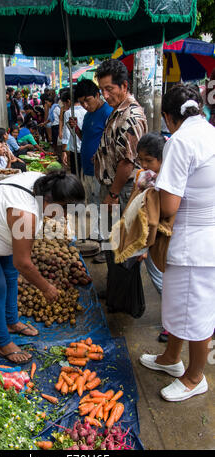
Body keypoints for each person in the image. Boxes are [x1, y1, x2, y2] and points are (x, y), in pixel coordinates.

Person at [0, 170, 85, 364]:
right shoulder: (26, 215)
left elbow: (17, 263)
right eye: (65, 210)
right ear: (52, 202)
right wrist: (46, 288)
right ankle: (3, 343)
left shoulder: (45, 182)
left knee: (10, 273)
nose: (65, 216)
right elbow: (23, 262)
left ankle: (12, 321)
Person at [139, 84, 215, 401]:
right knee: (181, 306)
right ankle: (171, 358)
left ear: (169, 118)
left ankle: (195, 376)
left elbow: (169, 206)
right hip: (205, 233)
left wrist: (147, 195)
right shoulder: (210, 131)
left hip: (193, 241)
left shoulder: (180, 140)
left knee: (195, 311)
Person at [92, 59, 147, 264]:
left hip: (122, 190)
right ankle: (115, 287)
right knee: (112, 243)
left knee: (122, 244)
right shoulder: (117, 110)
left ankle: (124, 292)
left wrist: (113, 194)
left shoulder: (130, 116)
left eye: (109, 89)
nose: (105, 95)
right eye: (102, 90)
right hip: (114, 188)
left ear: (124, 86)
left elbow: (127, 162)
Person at [67, 79, 113, 241]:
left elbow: (112, 142)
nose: (85, 105)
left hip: (101, 170)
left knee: (100, 206)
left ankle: (103, 241)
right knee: (92, 204)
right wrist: (76, 129)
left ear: (97, 95)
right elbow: (84, 138)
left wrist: (102, 155)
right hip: (86, 167)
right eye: (81, 102)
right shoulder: (87, 116)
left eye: (88, 100)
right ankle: (96, 236)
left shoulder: (108, 113)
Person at [135, 132, 167, 342]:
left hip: (156, 239)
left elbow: (153, 221)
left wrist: (145, 248)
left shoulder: (162, 181)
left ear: (162, 158)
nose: (145, 164)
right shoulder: (144, 176)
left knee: (163, 283)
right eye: (141, 160)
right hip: (151, 236)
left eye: (149, 160)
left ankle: (171, 326)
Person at [61, 88, 87, 176]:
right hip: (86, 149)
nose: (64, 105)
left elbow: (66, 134)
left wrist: (64, 151)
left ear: (68, 101)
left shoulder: (68, 113)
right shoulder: (86, 110)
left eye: (64, 103)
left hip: (75, 149)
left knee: (76, 174)